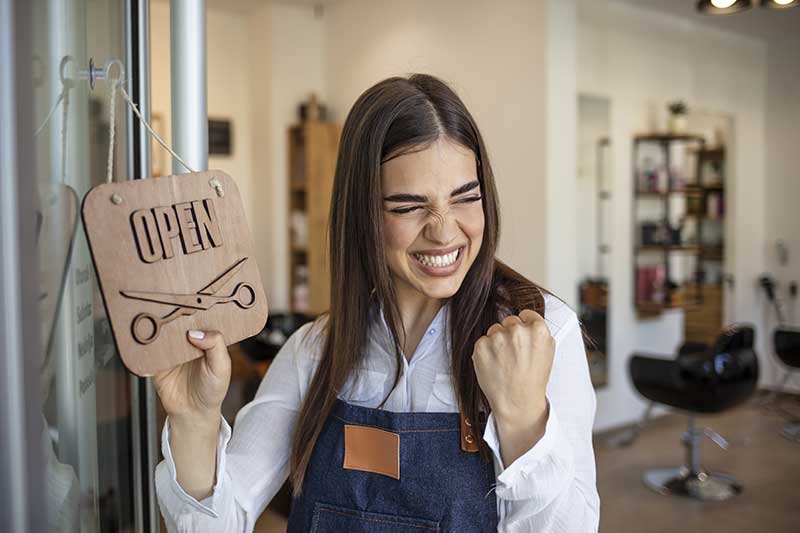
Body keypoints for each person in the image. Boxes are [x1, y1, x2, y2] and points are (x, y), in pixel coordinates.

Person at [154, 74, 599, 532]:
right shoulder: (315, 350)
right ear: (362, 212)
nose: (444, 231)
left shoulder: (540, 335)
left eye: (465, 197)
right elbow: (214, 525)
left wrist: (524, 419)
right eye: (408, 207)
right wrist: (195, 418)